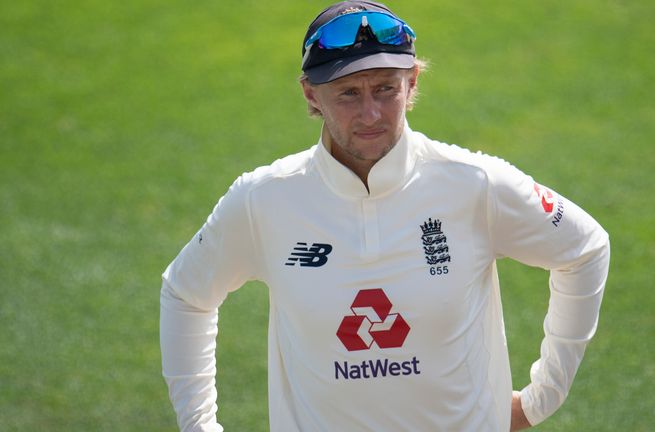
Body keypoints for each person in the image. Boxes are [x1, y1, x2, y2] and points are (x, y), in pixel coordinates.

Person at [159, 1, 610, 431]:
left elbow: (584, 248)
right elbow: (186, 293)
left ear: (412, 82)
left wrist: (541, 398)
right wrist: (199, 425)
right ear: (311, 95)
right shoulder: (264, 200)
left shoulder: (475, 184)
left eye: (385, 89)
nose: (370, 113)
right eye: (348, 94)